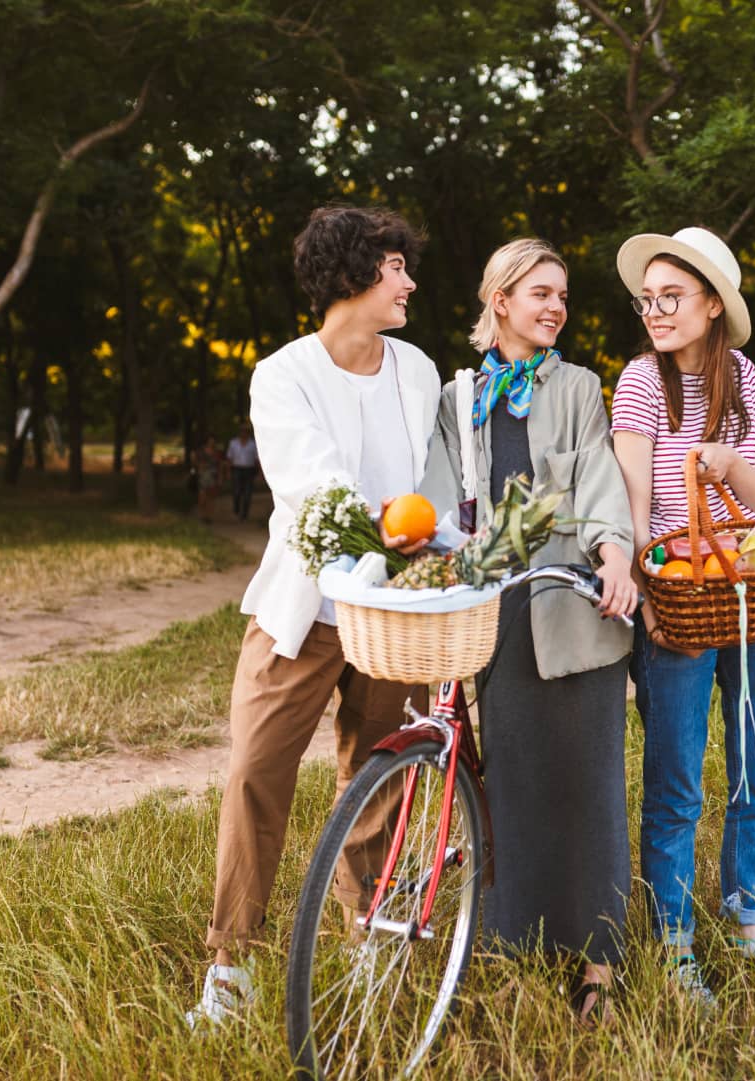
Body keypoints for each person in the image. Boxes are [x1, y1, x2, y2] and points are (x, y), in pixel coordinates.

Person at [186, 204, 440, 1029]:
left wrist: (435, 548)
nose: (407, 280)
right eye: (394, 265)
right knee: (256, 770)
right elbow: (314, 487)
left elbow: (434, 481)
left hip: (392, 616)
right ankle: (230, 963)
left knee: (375, 776)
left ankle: (366, 935)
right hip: (305, 608)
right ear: (351, 274)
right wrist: (394, 534)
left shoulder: (418, 370)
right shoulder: (282, 374)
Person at [418, 238, 637, 1025]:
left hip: (573, 605)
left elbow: (597, 484)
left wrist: (615, 557)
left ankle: (599, 960)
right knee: (510, 783)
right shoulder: (457, 396)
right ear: (499, 300)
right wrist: (441, 553)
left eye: (563, 296)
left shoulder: (578, 386)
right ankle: (516, 940)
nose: (555, 307)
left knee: (589, 788)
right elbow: (440, 502)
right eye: (539, 293)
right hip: (496, 617)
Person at [609, 226, 755, 1009]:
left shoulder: (743, 377)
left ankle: (747, 926)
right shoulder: (637, 382)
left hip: (751, 593)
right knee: (675, 783)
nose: (655, 311)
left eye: (671, 297)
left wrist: (730, 462)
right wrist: (650, 598)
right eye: (647, 299)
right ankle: (672, 942)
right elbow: (633, 507)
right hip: (681, 601)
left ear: (711, 304)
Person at [226, 423, 260, 521]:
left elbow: (256, 459)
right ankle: (236, 508)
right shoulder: (233, 443)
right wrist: (228, 471)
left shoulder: (253, 444)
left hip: (249, 470)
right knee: (236, 491)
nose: (243, 433)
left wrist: (259, 474)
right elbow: (229, 458)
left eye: (245, 432)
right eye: (242, 431)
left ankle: (244, 514)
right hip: (237, 469)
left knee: (248, 493)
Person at [193, 436, 223, 524]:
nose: (212, 442)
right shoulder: (200, 451)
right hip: (202, 476)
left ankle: (208, 516)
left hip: (213, 476)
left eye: (213, 441)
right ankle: (203, 514)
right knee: (202, 497)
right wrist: (200, 466)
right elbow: (195, 462)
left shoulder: (217, 452)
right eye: (210, 440)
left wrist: (220, 477)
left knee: (211, 497)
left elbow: (220, 465)